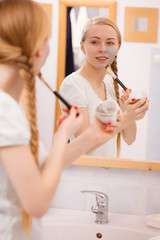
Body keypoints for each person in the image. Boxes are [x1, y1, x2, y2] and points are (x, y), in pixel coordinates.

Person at [0, 2, 123, 239]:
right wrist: (60, 139)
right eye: (47, 39)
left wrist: (90, 136)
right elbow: (37, 202)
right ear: (38, 49)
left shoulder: (6, 107)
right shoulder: (4, 109)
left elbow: (40, 171)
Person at [60, 17, 149, 157]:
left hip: (109, 172)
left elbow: (130, 139)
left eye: (110, 43)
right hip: (85, 173)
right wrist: (126, 116)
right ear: (82, 47)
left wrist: (128, 111)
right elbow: (84, 147)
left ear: (117, 48)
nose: (103, 49)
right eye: (95, 42)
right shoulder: (73, 85)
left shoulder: (111, 83)